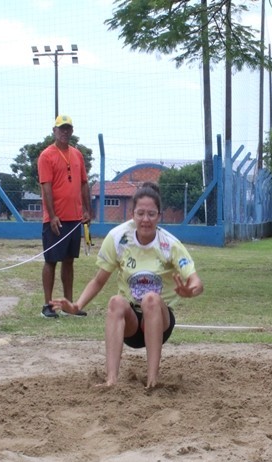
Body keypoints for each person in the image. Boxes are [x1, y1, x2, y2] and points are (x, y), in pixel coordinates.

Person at [53, 183, 204, 388]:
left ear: (159, 216)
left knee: (151, 299)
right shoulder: (118, 238)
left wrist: (190, 291)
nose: (145, 219)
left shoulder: (169, 244)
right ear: (132, 214)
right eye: (140, 213)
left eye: (151, 214)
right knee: (115, 301)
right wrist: (77, 306)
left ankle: (152, 380)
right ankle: (111, 380)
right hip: (131, 324)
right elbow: (98, 280)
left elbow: (196, 282)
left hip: (159, 320)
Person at [38, 115, 91, 318]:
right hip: (56, 219)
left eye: (68, 128)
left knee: (69, 261)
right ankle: (47, 305)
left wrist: (87, 210)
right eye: (61, 128)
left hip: (75, 218)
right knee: (51, 260)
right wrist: (52, 216)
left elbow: (84, 183)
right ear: (54, 130)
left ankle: (69, 305)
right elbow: (46, 187)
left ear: (72, 131)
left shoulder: (77, 154)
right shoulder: (46, 156)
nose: (65, 132)